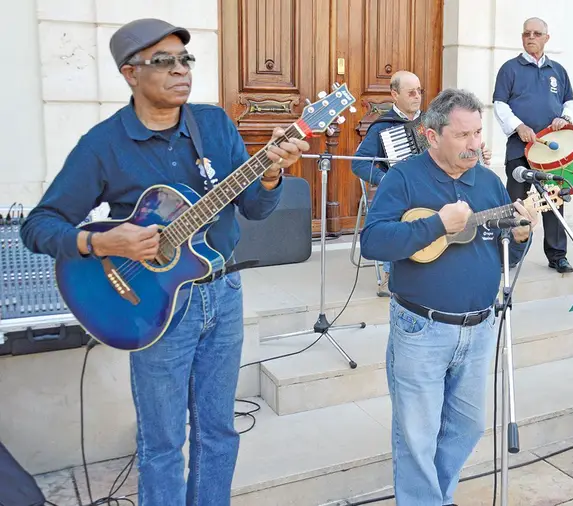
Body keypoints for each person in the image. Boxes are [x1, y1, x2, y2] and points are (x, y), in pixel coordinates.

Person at [19, 18, 308, 505]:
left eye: (185, 60)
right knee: (163, 443)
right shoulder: (104, 145)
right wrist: (106, 244)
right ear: (131, 74)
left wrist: (272, 175)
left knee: (219, 430)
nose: (181, 71)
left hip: (222, 293)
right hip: (152, 305)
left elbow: (254, 208)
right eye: (164, 61)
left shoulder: (213, 124)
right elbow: (39, 226)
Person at [360, 88, 537, 505]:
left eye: (477, 133)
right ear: (431, 135)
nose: (475, 143)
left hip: (479, 327)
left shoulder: (490, 183)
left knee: (468, 426)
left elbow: (505, 254)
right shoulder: (404, 178)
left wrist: (523, 235)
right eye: (463, 135)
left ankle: (434, 496)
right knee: (417, 434)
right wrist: (437, 225)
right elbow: (374, 241)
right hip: (421, 327)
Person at [352, 71, 491, 296]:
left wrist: (476, 153)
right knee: (399, 215)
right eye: (411, 92)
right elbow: (359, 164)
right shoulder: (382, 127)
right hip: (401, 190)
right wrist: (385, 178)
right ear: (394, 94)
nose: (417, 96)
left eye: (420, 91)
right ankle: (391, 273)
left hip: (438, 188)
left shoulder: (434, 120)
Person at [493, 16, 573, 273]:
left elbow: (570, 103)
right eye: (526, 33)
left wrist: (565, 119)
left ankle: (557, 255)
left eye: (536, 33)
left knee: (554, 201)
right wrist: (519, 126)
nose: (531, 37)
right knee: (516, 202)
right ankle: (510, 253)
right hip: (520, 148)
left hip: (551, 151)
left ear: (546, 38)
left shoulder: (558, 71)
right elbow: (500, 104)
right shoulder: (510, 69)